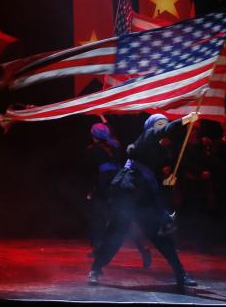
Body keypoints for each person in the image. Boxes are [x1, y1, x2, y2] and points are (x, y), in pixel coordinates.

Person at [88, 112, 200, 288]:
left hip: (143, 197)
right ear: (151, 126)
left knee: (160, 236)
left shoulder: (162, 149)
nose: (163, 127)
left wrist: (167, 180)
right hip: (128, 192)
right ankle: (95, 269)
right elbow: (168, 130)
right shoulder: (148, 136)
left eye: (164, 123)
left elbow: (152, 177)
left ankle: (181, 274)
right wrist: (186, 119)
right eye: (159, 124)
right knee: (115, 234)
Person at [85, 122, 152, 268]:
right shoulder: (116, 147)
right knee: (124, 221)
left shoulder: (94, 150)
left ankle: (97, 250)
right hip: (119, 185)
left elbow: (93, 173)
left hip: (105, 187)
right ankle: (143, 249)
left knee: (101, 219)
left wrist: (92, 190)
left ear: (93, 135)